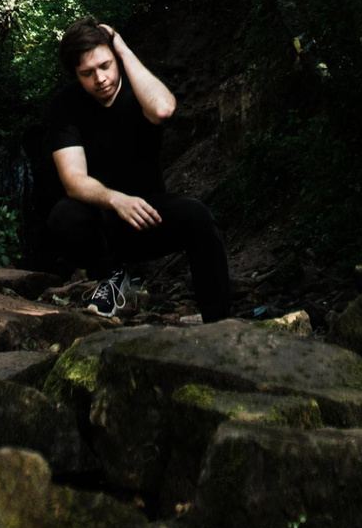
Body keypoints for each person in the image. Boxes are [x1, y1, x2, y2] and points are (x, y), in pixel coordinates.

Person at [44, 18, 233, 320]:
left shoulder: (140, 86)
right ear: (75, 76)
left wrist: (120, 45)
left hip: (147, 217)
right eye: (87, 73)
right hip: (101, 225)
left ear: (116, 58)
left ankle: (220, 321)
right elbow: (72, 179)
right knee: (63, 217)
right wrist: (116, 199)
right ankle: (113, 277)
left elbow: (163, 109)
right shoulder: (65, 105)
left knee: (198, 217)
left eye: (106, 65)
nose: (100, 78)